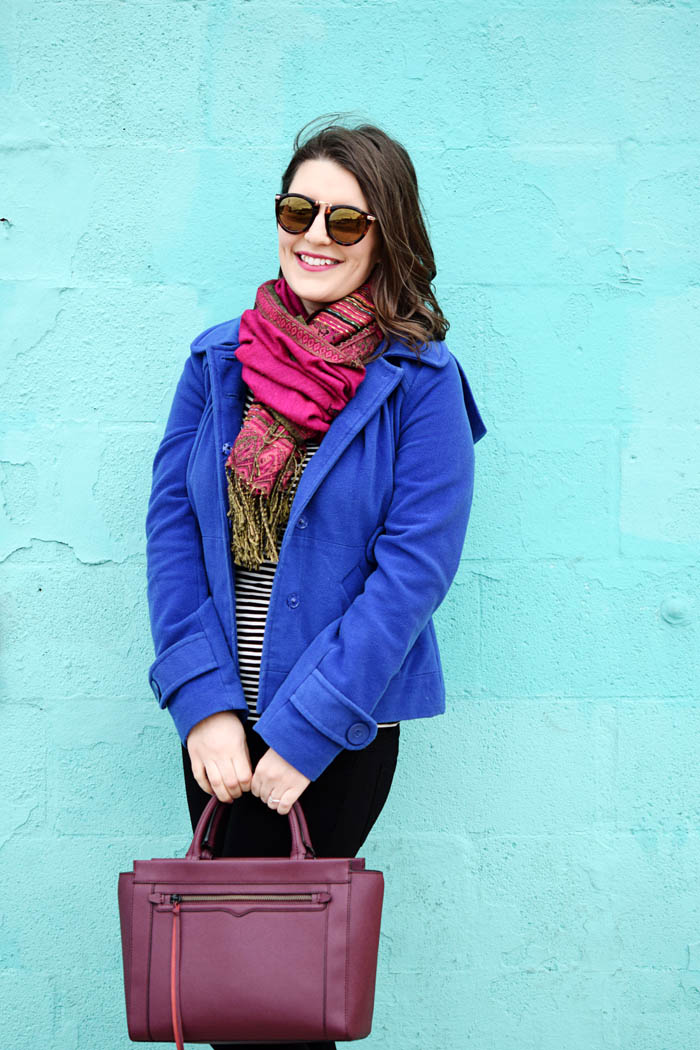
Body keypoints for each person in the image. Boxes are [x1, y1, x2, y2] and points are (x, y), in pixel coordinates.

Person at [145, 115, 487, 1050]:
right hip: (220, 729)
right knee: (227, 1005)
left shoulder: (419, 382)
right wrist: (203, 705)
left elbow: (412, 574)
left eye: (348, 221)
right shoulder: (219, 362)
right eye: (300, 209)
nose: (315, 236)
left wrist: (304, 732)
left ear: (389, 238)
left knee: (290, 1010)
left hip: (333, 735)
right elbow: (173, 532)